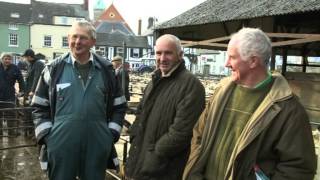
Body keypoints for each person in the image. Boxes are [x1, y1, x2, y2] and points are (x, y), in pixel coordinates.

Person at [183, 28, 317, 180]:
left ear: (253, 61)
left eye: (232, 57)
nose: (226, 64)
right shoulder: (221, 92)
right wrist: (194, 173)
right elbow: (199, 134)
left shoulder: (289, 110)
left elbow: (298, 168)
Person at [31, 21, 127, 180]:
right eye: (74, 36)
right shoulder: (53, 69)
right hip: (61, 144)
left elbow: (119, 106)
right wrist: (49, 137)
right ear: (68, 38)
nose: (77, 42)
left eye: (83, 37)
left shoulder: (106, 70)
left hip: (97, 143)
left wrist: (110, 135)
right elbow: (38, 106)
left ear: (93, 42)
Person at [125, 34, 206, 180]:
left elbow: (182, 132)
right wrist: (134, 137)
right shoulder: (154, 81)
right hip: (140, 164)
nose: (162, 58)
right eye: (158, 53)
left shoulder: (191, 86)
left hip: (164, 170)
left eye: (168, 53)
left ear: (180, 55)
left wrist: (154, 153)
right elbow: (141, 115)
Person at [0, 52, 25, 136]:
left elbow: (21, 80)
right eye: (5, 59)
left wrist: (22, 91)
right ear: (2, 59)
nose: (7, 60)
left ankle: (11, 132)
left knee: (10, 114)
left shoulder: (15, 68)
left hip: (10, 95)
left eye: (9, 59)